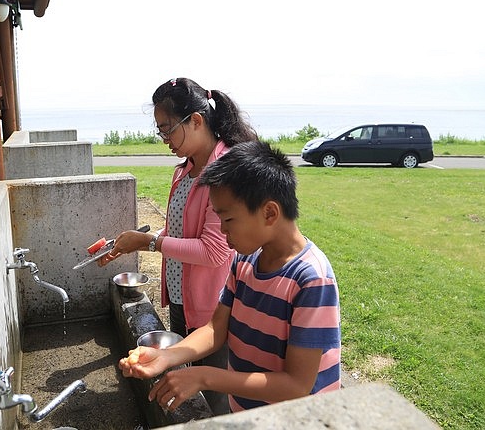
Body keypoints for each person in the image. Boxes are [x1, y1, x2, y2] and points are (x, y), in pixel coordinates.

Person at [119, 141, 341, 413]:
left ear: (269, 213)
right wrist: (166, 356)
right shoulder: (245, 260)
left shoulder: (311, 280)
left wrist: (203, 377)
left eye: (228, 220)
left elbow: (296, 385)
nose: (222, 231)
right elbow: (215, 329)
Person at [99, 77, 258, 414]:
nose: (165, 139)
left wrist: (149, 242)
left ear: (196, 121)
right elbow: (179, 230)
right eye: (160, 131)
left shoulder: (224, 172)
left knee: (216, 393)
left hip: (213, 305)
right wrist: (131, 241)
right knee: (191, 382)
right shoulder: (184, 170)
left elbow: (214, 251)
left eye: (168, 129)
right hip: (182, 297)